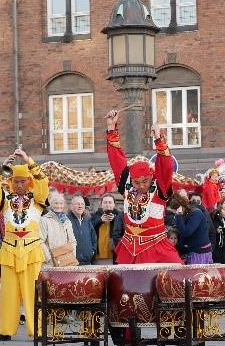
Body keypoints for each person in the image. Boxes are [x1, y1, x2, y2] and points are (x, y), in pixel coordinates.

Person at [0, 147, 49, 341]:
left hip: (31, 251)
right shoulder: (6, 200)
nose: (19, 185)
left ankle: (38, 330)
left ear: (29, 182)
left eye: (23, 181)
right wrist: (2, 168)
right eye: (16, 181)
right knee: (8, 294)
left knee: (33, 293)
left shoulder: (37, 200)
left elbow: (43, 183)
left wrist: (29, 161)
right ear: (11, 182)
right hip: (9, 251)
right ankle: (5, 330)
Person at [104, 110, 182, 264]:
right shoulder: (126, 184)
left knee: (174, 276)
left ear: (151, 177)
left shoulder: (159, 187)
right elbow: (116, 159)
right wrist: (111, 128)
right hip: (129, 248)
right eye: (136, 182)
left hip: (156, 247)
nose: (141, 186)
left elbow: (166, 166)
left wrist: (158, 139)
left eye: (145, 181)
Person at [171, 194, 214, 264]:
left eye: (175, 211)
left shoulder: (196, 213)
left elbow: (185, 232)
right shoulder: (187, 214)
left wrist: (179, 215)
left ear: (180, 208)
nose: (175, 213)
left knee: (198, 271)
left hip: (200, 252)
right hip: (191, 250)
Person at [39, 191, 76, 268]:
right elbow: (40, 241)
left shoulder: (67, 221)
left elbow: (72, 241)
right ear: (51, 204)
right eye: (56, 203)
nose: (59, 206)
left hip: (65, 260)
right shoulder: (44, 220)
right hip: (50, 263)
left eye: (61, 203)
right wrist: (48, 258)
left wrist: (72, 256)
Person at [91, 193, 120, 265]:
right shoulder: (95, 215)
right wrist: (100, 220)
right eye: (105, 202)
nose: (107, 205)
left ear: (114, 204)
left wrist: (115, 220)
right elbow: (89, 229)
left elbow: (123, 230)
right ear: (101, 204)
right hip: (98, 255)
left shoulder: (119, 216)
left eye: (110, 202)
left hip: (114, 254)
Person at [68, 195, 97, 265]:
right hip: (71, 263)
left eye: (82, 204)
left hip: (87, 262)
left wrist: (92, 251)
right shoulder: (66, 221)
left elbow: (94, 238)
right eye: (77, 204)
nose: (80, 206)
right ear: (71, 207)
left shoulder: (87, 222)